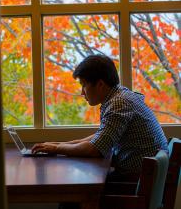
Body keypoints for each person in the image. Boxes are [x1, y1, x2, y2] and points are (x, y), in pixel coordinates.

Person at [32, 54, 168, 181]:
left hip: (136, 182)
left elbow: (95, 149)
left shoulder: (119, 103)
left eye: (84, 85)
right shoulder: (120, 96)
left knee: (73, 191)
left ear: (100, 84)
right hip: (141, 177)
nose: (81, 92)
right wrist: (58, 145)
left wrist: (57, 149)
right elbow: (100, 138)